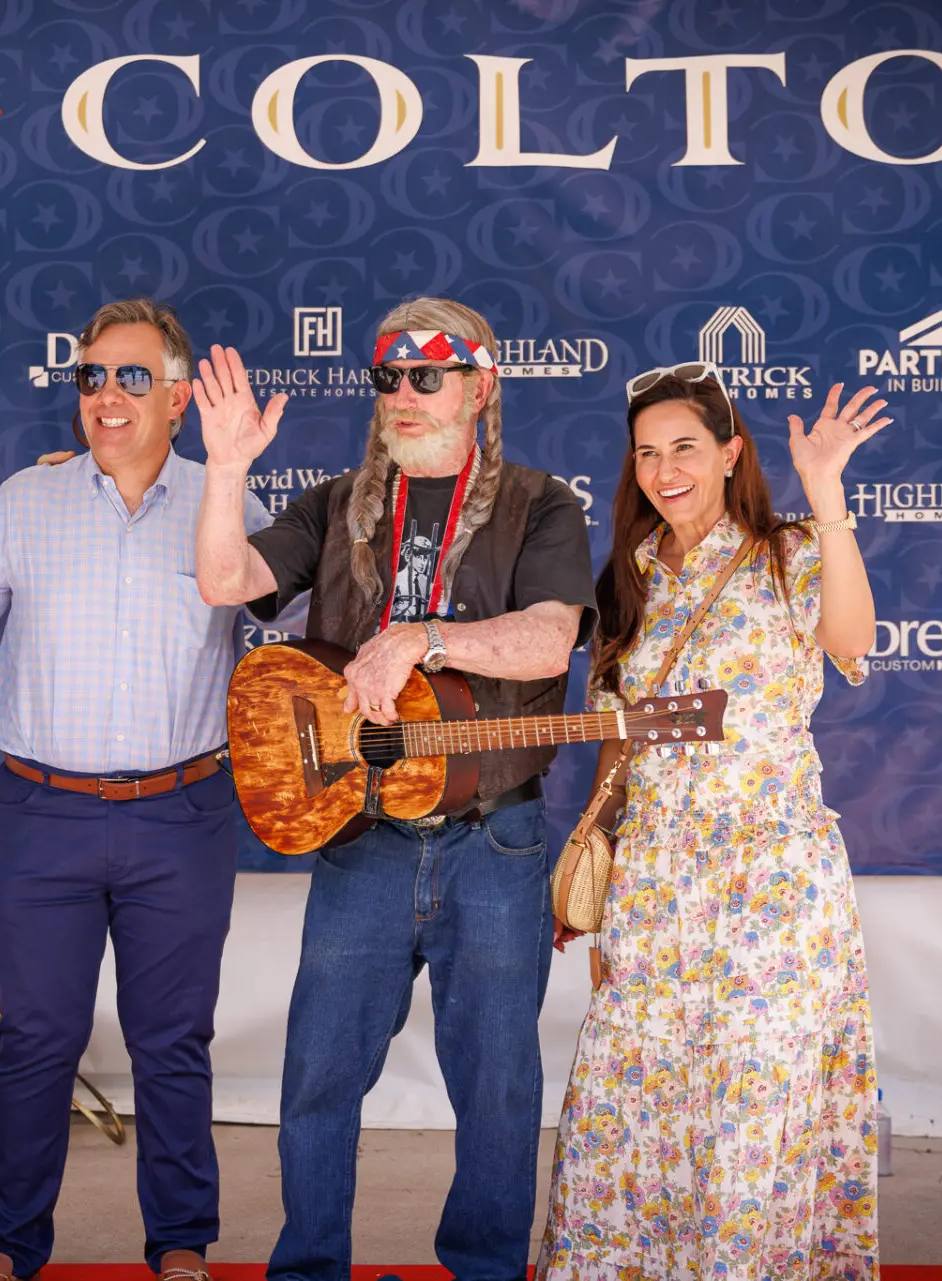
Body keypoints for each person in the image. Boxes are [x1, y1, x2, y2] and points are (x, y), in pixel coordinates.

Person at [194, 297, 597, 1281]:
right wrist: (227, 468)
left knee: (497, 1085)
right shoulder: (338, 504)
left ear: (479, 386)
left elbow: (551, 638)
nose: (404, 394)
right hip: (362, 833)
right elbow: (225, 581)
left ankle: (486, 1270)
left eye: (428, 375)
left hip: (492, 836)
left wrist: (424, 637)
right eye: (388, 377)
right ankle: (308, 1269)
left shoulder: (540, 504)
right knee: (318, 1074)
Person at [0, 298, 271, 1281]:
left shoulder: (227, 500)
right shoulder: (27, 502)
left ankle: (182, 1245)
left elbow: (291, 633)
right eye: (91, 377)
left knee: (174, 1042)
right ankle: (10, 1247)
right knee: (37, 1040)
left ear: (178, 398)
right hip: (42, 815)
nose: (105, 395)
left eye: (130, 377)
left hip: (182, 813)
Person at [534, 366, 888, 1280]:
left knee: (754, 1104)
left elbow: (852, 641)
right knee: (630, 1103)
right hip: (655, 881)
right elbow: (616, 743)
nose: (665, 470)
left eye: (685, 447)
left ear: (731, 453)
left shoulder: (790, 552)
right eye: (647, 453)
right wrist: (598, 861)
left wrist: (827, 489)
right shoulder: (627, 580)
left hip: (773, 881)